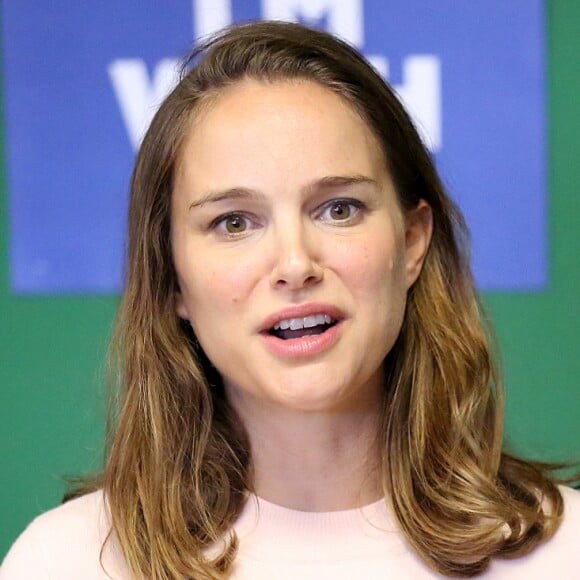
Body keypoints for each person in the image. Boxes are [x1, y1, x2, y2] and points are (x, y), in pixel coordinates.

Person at [2, 20, 579, 580]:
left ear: (410, 243)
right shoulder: (66, 563)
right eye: (233, 222)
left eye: (339, 209)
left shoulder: (565, 554)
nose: (296, 264)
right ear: (172, 277)